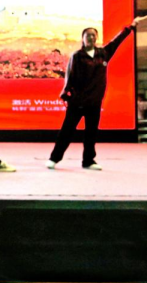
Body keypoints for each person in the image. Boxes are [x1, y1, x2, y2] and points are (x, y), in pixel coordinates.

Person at [48, 16, 146, 170]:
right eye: (88, 35)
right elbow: (69, 76)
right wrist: (66, 93)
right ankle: (54, 158)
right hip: (77, 101)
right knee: (67, 132)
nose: (91, 38)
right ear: (83, 38)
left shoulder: (103, 53)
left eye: (94, 35)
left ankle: (88, 161)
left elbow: (117, 40)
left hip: (94, 102)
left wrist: (132, 26)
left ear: (96, 38)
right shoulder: (77, 56)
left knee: (91, 133)